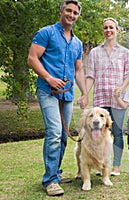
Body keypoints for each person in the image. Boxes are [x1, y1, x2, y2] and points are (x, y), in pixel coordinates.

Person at [27, 0, 88, 196]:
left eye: (75, 13)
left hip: (67, 94)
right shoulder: (46, 33)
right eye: (68, 11)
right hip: (48, 91)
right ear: (61, 11)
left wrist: (85, 93)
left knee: (63, 136)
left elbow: (78, 71)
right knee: (54, 132)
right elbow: (32, 58)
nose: (71, 15)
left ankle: (56, 173)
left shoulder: (77, 43)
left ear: (78, 16)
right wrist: (49, 78)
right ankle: (50, 180)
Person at [85, 17, 129, 176]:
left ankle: (116, 167)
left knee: (117, 132)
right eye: (105, 28)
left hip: (118, 100)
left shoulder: (125, 52)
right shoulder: (94, 52)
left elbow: (128, 75)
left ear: (117, 30)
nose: (108, 30)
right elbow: (90, 75)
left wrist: (122, 87)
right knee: (97, 132)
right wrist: (85, 94)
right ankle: (100, 165)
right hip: (100, 98)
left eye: (111, 27)